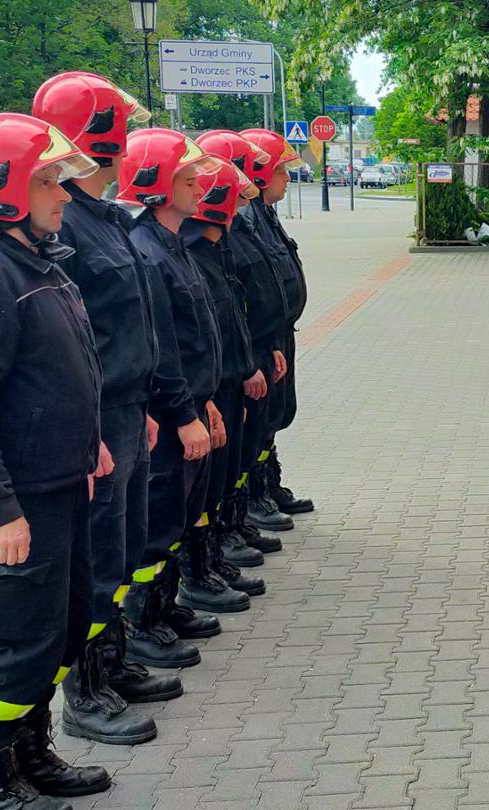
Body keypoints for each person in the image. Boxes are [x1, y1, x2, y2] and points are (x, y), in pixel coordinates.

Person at [0, 112, 112, 809]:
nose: (63, 195)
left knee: (59, 628)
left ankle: (32, 751)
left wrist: (89, 440)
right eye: (47, 182)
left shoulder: (38, 264)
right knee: (16, 641)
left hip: (59, 482)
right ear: (3, 187)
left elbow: (66, 372)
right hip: (19, 498)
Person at [32, 70, 181, 746]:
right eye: (118, 124)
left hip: (126, 407)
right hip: (96, 419)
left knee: (118, 552)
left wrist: (142, 399)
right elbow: (71, 344)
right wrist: (91, 425)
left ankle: (110, 662)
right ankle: (83, 693)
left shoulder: (103, 219)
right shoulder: (67, 223)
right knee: (93, 558)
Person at [117, 129, 232, 667]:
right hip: (166, 417)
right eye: (187, 180)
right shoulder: (148, 252)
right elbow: (161, 348)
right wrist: (184, 411)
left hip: (189, 405)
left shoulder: (170, 246)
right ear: (156, 186)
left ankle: (164, 607)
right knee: (157, 521)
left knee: (177, 516)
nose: (198, 189)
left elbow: (193, 337)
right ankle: (141, 623)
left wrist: (203, 400)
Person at [194, 130, 290, 568]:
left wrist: (268, 344)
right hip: (222, 374)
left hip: (249, 355)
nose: (284, 178)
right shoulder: (197, 243)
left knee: (240, 452)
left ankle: (233, 524)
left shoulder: (239, 226)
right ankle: (209, 552)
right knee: (208, 475)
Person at [178, 155, 268, 602]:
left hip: (221, 380)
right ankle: (194, 575)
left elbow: (230, 318)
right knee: (195, 490)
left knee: (218, 477)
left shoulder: (212, 250)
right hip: (203, 390)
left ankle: (211, 556)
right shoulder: (189, 253)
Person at [238, 128, 315, 526]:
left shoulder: (263, 214)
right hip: (261, 341)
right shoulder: (246, 219)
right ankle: (252, 499)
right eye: (282, 171)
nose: (288, 178)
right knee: (258, 422)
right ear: (260, 173)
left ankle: (268, 486)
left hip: (277, 336)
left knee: (274, 417)